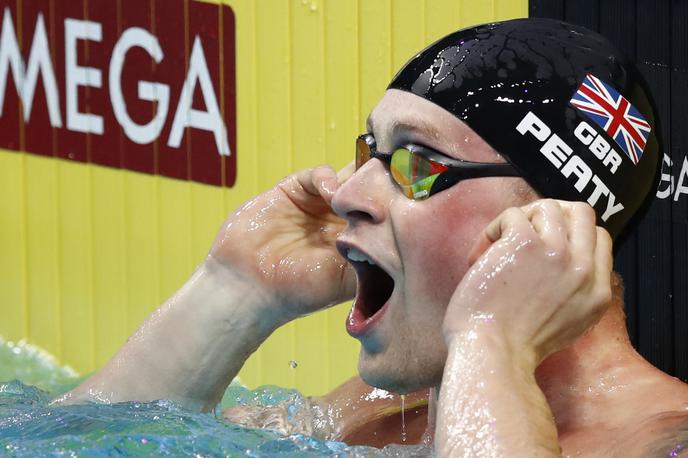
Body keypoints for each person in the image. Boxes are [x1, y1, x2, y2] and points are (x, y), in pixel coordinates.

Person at [54, 18, 688, 456]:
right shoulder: (378, 413)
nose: (348, 194)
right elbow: (79, 445)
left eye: (417, 164)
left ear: (552, 223)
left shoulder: (664, 441)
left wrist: (490, 341)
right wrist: (234, 292)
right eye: (371, 152)